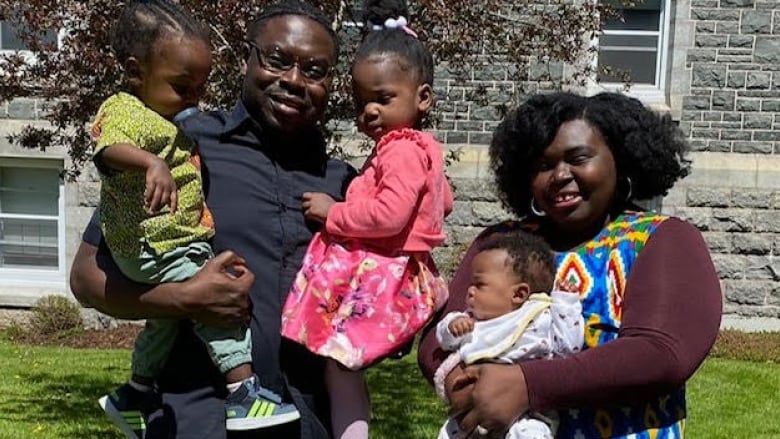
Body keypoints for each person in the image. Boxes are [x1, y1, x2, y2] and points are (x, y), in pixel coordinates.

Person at [70, 1, 356, 438]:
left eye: (315, 70)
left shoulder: (345, 186)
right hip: (199, 421)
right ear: (247, 59)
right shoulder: (184, 148)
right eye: (277, 60)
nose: (295, 81)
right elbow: (87, 279)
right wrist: (182, 298)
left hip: (309, 422)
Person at [418, 91, 723, 439]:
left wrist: (527, 386)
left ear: (619, 160)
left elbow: (662, 354)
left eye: (578, 158)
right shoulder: (501, 243)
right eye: (543, 165)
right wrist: (462, 383)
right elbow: (440, 340)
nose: (560, 175)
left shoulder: (662, 239)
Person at [280, 1, 453, 437]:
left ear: (423, 97)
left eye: (382, 98)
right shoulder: (423, 150)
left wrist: (333, 213)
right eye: (361, 102)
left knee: (340, 363)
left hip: (384, 275)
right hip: (396, 269)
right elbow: (442, 203)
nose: (369, 112)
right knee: (342, 367)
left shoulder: (400, 150)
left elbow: (388, 217)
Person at [434, 230, 583, 439]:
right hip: (473, 408)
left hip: (528, 413)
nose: (469, 291)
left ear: (519, 294)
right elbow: (444, 340)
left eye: (479, 284)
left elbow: (567, 348)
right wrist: (452, 327)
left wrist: (566, 304)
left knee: (531, 434)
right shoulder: (472, 319)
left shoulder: (539, 316)